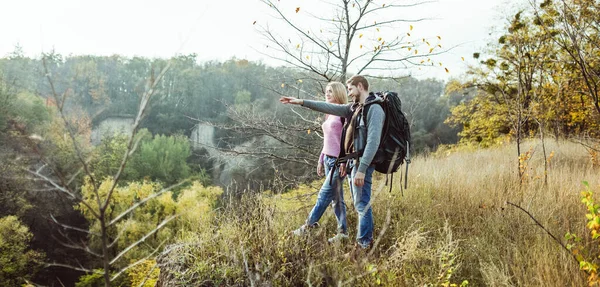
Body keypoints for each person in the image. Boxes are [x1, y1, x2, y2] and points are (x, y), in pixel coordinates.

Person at [280, 75, 384, 249]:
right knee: (355, 203)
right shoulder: (354, 108)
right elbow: (327, 107)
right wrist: (301, 102)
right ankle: (350, 236)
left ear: (360, 86)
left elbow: (373, 142)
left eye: (350, 89)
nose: (349, 93)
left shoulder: (375, 109)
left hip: (361, 165)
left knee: (361, 204)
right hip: (351, 163)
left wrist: (362, 169)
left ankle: (364, 244)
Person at [291, 82, 350, 243]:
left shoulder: (344, 112)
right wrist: (320, 159)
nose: (327, 94)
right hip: (328, 159)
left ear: (338, 93)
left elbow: (348, 141)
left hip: (339, 162)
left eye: (331, 91)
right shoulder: (329, 113)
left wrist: (344, 161)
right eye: (326, 91)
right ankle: (343, 233)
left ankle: (307, 227)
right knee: (336, 199)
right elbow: (328, 140)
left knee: (324, 195)